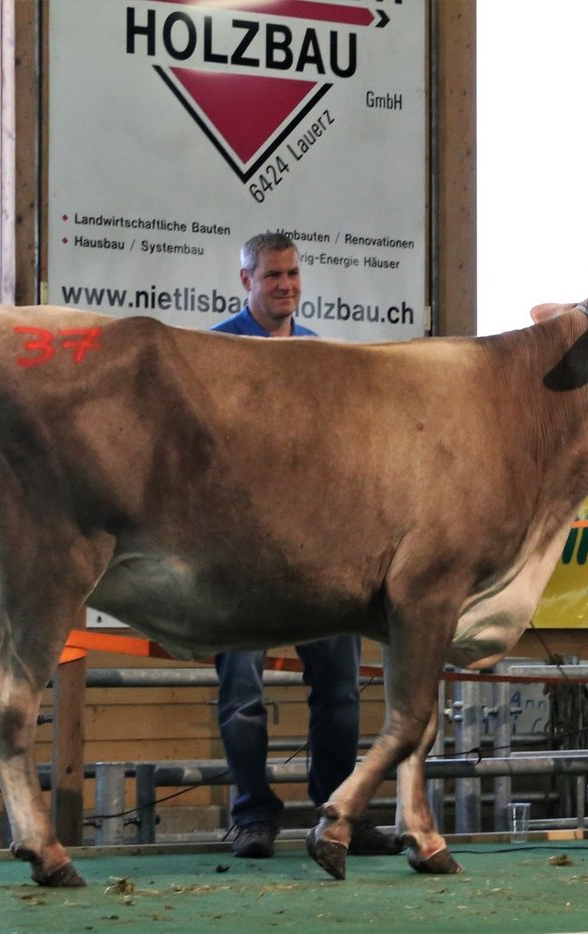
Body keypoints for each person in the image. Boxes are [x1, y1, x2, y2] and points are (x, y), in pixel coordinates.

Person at [210, 232, 401, 859]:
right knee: (242, 689)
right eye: (272, 276)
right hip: (241, 552)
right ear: (246, 281)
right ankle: (251, 815)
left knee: (341, 689)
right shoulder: (216, 352)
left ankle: (337, 812)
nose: (286, 285)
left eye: (292, 274)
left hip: (324, 552)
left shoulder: (326, 358)